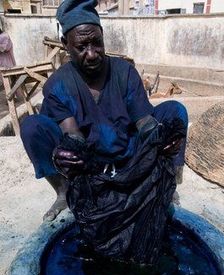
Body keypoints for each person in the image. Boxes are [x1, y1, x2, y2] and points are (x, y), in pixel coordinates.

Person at [20, 0, 188, 226]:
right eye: (81, 47)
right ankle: (63, 194)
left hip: (130, 154)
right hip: (89, 163)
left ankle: (169, 184)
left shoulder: (124, 72)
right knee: (32, 127)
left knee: (175, 112)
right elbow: (73, 135)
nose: (91, 54)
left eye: (96, 43)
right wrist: (66, 153)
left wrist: (162, 136)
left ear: (102, 36)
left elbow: (144, 121)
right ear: (65, 45)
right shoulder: (58, 85)